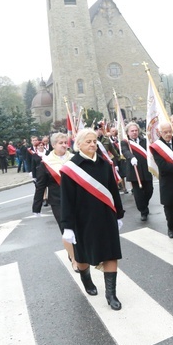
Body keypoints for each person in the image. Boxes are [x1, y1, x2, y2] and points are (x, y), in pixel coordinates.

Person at [60, 128, 125, 310]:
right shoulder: (71, 168)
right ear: (78, 144)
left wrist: (118, 214)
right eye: (88, 141)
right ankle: (86, 279)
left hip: (106, 218)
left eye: (94, 141)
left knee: (111, 253)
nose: (92, 144)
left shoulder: (105, 164)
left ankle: (111, 294)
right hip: (83, 220)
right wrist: (68, 226)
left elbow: (113, 192)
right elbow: (67, 199)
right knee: (83, 257)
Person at [33, 133, 77, 270]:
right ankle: (74, 259)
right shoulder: (46, 163)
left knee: (80, 228)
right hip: (59, 201)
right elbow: (41, 186)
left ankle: (82, 253)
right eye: (61, 143)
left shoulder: (74, 159)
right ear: (53, 145)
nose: (64, 145)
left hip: (77, 199)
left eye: (65, 142)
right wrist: (37, 207)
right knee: (67, 230)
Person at [120, 122, 154, 221]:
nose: (134, 133)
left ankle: (144, 204)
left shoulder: (144, 140)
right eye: (132, 131)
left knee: (149, 190)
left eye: (136, 130)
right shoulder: (125, 142)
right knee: (138, 194)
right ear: (128, 132)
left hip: (146, 169)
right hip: (134, 171)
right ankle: (143, 211)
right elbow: (124, 151)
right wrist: (131, 157)